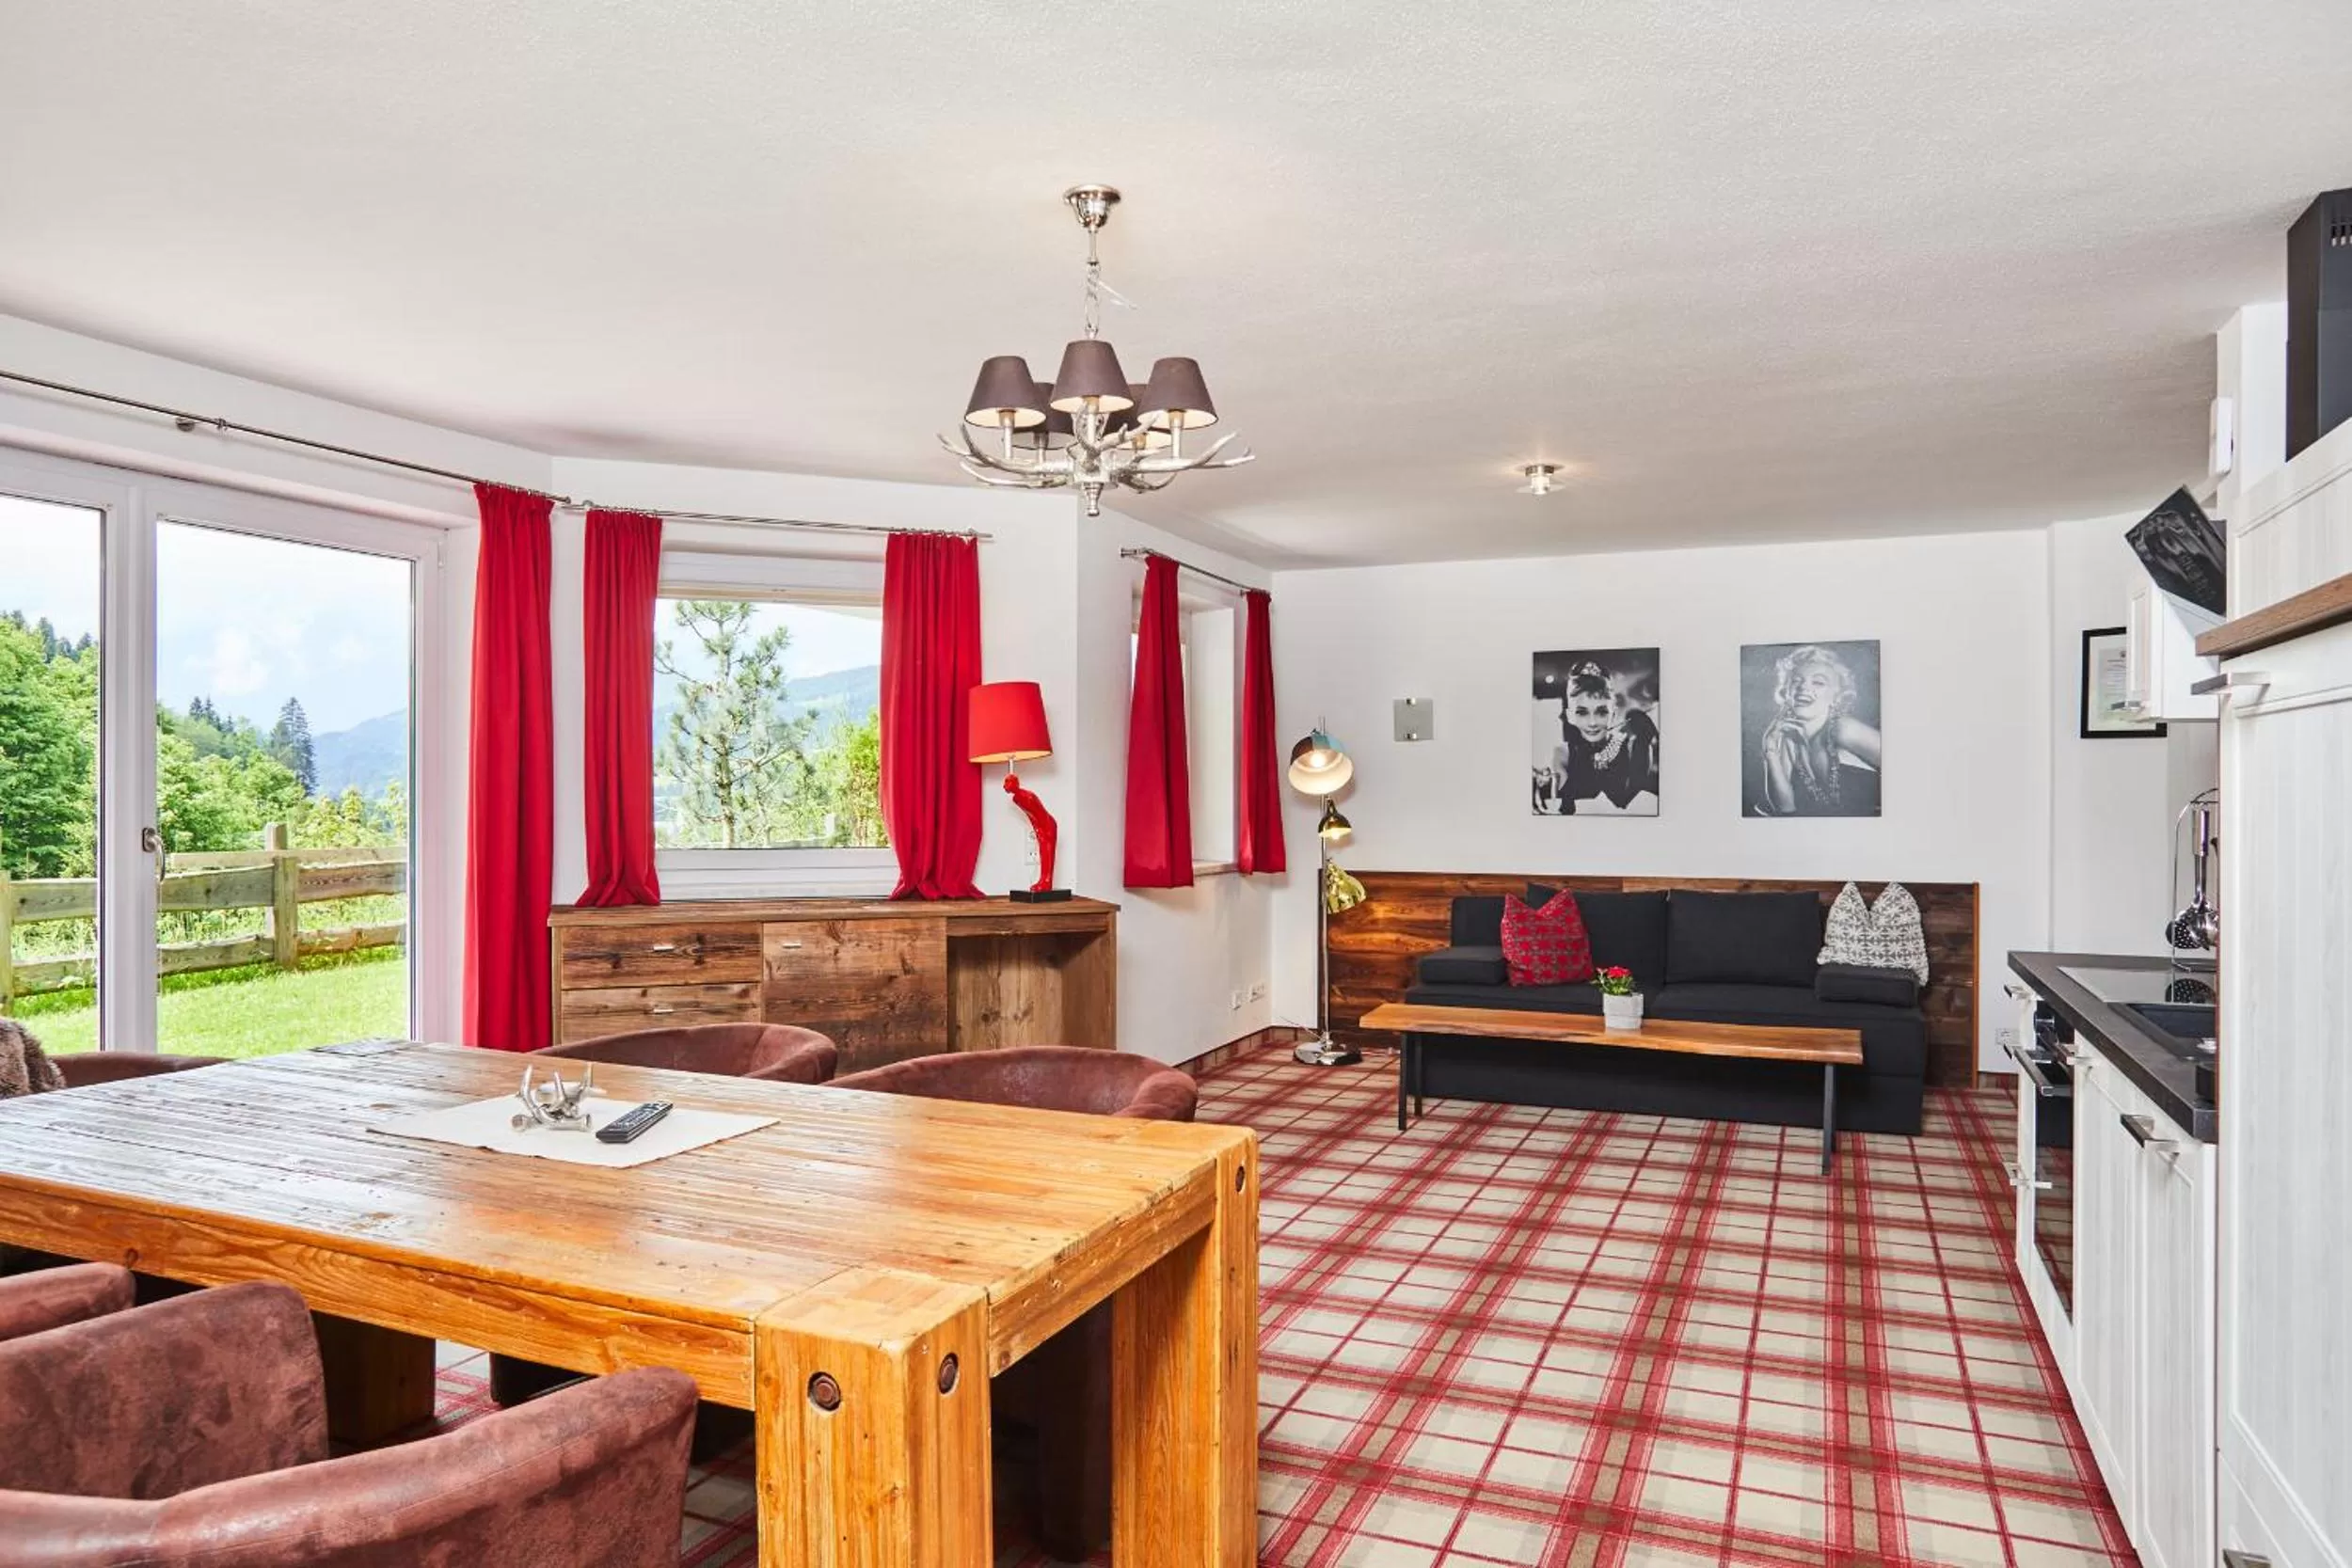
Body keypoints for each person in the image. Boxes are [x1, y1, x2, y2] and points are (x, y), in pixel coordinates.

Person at [1754, 644, 1881, 816]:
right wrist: (1770, 749)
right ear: (1786, 691)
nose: (1804, 688)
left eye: (1819, 682)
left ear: (1837, 697)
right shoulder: (1788, 738)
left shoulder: (1845, 730)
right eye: (1796, 681)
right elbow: (1785, 807)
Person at [1543, 661, 1660, 814]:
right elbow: (1560, 808)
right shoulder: (1563, 754)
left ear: (1614, 714)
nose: (1592, 723)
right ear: (1569, 716)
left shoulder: (1633, 748)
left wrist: (1643, 745)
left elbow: (1638, 805)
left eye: (1602, 712)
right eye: (1582, 712)